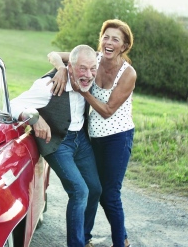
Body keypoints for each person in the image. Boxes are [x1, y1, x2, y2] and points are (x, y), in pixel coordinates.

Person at [48, 19, 136, 247]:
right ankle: (85, 238)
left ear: (124, 46)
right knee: (93, 189)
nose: (108, 42)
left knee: (110, 195)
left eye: (115, 39)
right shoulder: (93, 59)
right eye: (105, 36)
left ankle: (121, 242)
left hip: (117, 138)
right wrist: (60, 69)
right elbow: (54, 54)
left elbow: (107, 111)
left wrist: (81, 90)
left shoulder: (128, 74)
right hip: (91, 137)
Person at [10, 44, 102, 247]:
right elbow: (12, 103)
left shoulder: (88, 79)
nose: (88, 75)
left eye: (92, 68)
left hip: (81, 141)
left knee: (95, 189)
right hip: (59, 142)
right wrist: (34, 118)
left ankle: (84, 237)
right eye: (82, 69)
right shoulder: (48, 85)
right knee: (79, 191)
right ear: (69, 67)